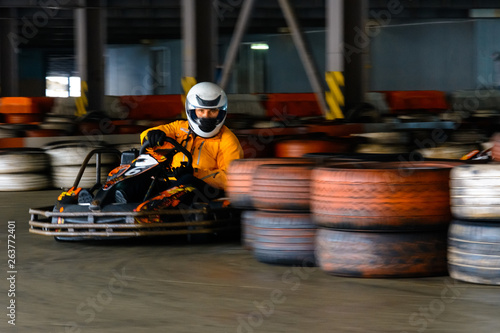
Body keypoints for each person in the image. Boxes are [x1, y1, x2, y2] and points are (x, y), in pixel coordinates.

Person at [139, 81, 244, 200]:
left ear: (221, 112)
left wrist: (195, 173)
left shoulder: (227, 140)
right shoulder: (179, 128)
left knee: (187, 181)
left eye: (212, 111)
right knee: (141, 181)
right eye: (201, 111)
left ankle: (156, 212)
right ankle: (123, 205)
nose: (206, 117)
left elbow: (231, 178)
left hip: (206, 191)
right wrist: (152, 135)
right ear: (191, 111)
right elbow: (150, 134)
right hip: (173, 184)